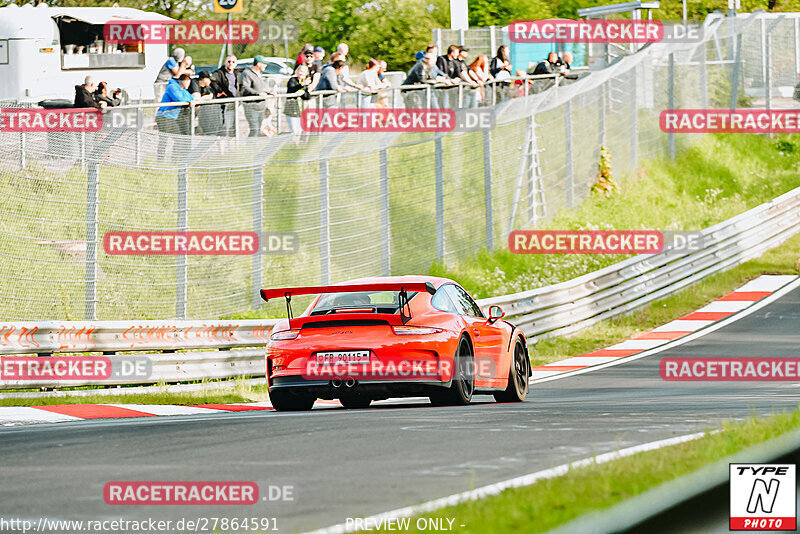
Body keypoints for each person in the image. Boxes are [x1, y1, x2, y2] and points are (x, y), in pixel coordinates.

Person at [156, 74, 194, 157]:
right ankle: (160, 159)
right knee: (164, 139)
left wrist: (192, 101)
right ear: (183, 82)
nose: (188, 85)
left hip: (171, 118)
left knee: (178, 139)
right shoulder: (172, 87)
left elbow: (191, 98)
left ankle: (175, 158)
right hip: (163, 116)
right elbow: (179, 98)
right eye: (188, 82)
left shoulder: (183, 90)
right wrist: (189, 101)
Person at [240, 55, 274, 137]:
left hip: (261, 106)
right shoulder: (247, 73)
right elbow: (245, 87)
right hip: (251, 106)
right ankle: (250, 147)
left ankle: (255, 147)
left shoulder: (259, 74)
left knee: (258, 128)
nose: (266, 66)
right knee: (254, 129)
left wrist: (269, 92)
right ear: (258, 64)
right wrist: (257, 94)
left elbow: (261, 88)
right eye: (264, 64)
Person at [210, 55, 241, 136]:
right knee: (225, 128)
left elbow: (240, 87)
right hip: (224, 105)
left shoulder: (236, 74)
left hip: (235, 104)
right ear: (225, 62)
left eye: (233, 62)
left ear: (236, 64)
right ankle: (223, 147)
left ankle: (232, 146)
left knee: (234, 128)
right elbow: (212, 81)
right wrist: (220, 91)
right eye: (229, 61)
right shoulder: (219, 73)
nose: (230, 63)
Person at [285, 64, 312, 142]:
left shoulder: (304, 82)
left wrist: (304, 90)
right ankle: (293, 145)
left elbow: (307, 96)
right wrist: (302, 85)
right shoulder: (292, 80)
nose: (301, 73)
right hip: (291, 109)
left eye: (303, 71)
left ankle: (296, 147)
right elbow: (292, 89)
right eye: (300, 71)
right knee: (294, 130)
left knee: (299, 131)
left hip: (300, 111)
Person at [193, 71, 218, 135]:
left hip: (201, 115)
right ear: (204, 79)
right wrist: (205, 98)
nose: (210, 81)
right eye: (208, 79)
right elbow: (196, 99)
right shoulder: (194, 83)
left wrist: (204, 98)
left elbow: (211, 96)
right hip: (188, 114)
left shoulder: (207, 87)